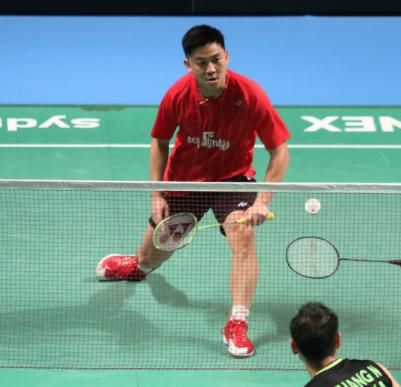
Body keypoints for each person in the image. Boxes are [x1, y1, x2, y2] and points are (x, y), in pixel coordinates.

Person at [95, 24, 291, 358]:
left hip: (232, 180)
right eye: (201, 63)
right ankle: (138, 267)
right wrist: (157, 194)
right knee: (154, 252)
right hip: (185, 182)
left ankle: (238, 322)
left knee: (242, 238)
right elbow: (159, 141)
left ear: (227, 56)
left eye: (216, 59)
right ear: (189, 65)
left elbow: (280, 151)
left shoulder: (249, 94)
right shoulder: (177, 95)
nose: (211, 68)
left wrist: (262, 201)